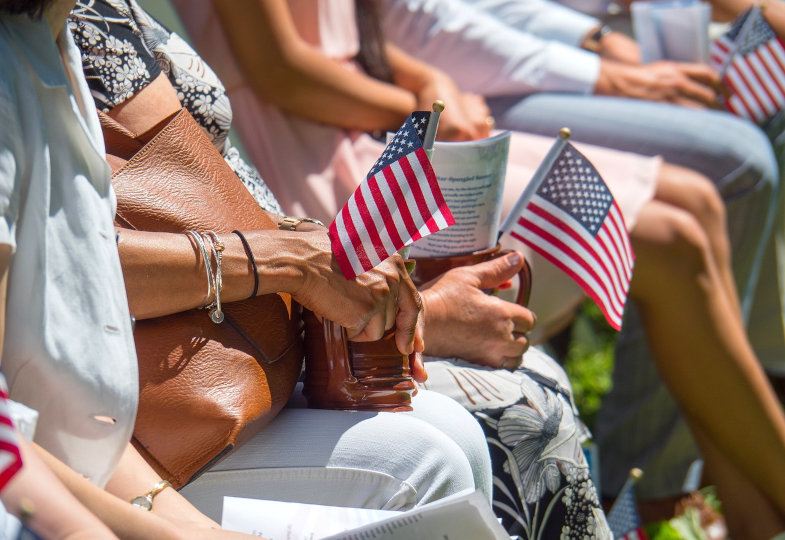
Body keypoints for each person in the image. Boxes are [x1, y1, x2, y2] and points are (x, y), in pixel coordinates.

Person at [169, 0, 785, 537]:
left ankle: (753, 514)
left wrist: (426, 80)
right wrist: (418, 102)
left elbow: (372, 30)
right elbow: (282, 72)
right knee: (670, 239)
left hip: (379, 123)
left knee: (693, 209)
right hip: (328, 164)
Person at [70, 1, 615, 536]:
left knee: (526, 388)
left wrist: (342, 275)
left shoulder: (82, 16)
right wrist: (333, 282)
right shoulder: (33, 36)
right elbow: (65, 265)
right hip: (180, 389)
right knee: (496, 422)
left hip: (271, 337)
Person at [0, 0, 494, 537]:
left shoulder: (48, 43)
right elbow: (69, 290)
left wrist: (312, 253)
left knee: (459, 436)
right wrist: (292, 262)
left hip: (148, 431)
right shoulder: (19, 69)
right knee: (428, 461)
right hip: (152, 425)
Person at [376, 0, 785, 511]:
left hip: (455, 76)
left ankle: (745, 501)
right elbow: (415, 24)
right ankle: (654, 489)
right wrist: (603, 62)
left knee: (699, 201)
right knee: (705, 200)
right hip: (424, 105)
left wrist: (600, 42)